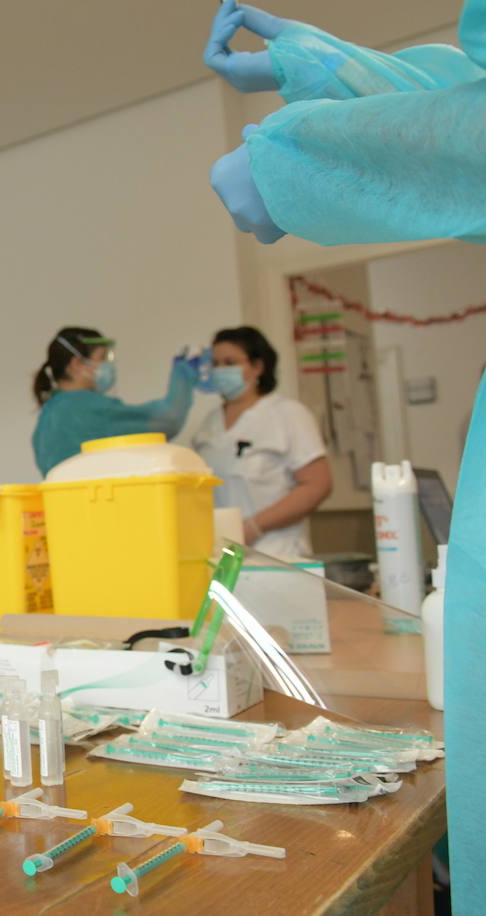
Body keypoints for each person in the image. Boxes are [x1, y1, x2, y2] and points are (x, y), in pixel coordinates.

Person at [203, 3, 486, 906]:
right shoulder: (212, 418)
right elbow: (468, 97)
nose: (218, 372)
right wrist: (323, 65)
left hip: (286, 571)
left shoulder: (284, 409)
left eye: (228, 361)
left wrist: (302, 156)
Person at [191, 326, 331, 556]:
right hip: (223, 554)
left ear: (257, 367)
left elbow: (318, 485)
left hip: (278, 552)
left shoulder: (287, 414)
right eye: (215, 364)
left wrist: (254, 527)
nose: (220, 371)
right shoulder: (209, 424)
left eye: (230, 362)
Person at [32, 327, 200, 476]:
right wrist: (183, 374)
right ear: (77, 363)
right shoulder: (87, 407)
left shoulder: (50, 411)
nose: (108, 365)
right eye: (102, 358)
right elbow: (168, 420)